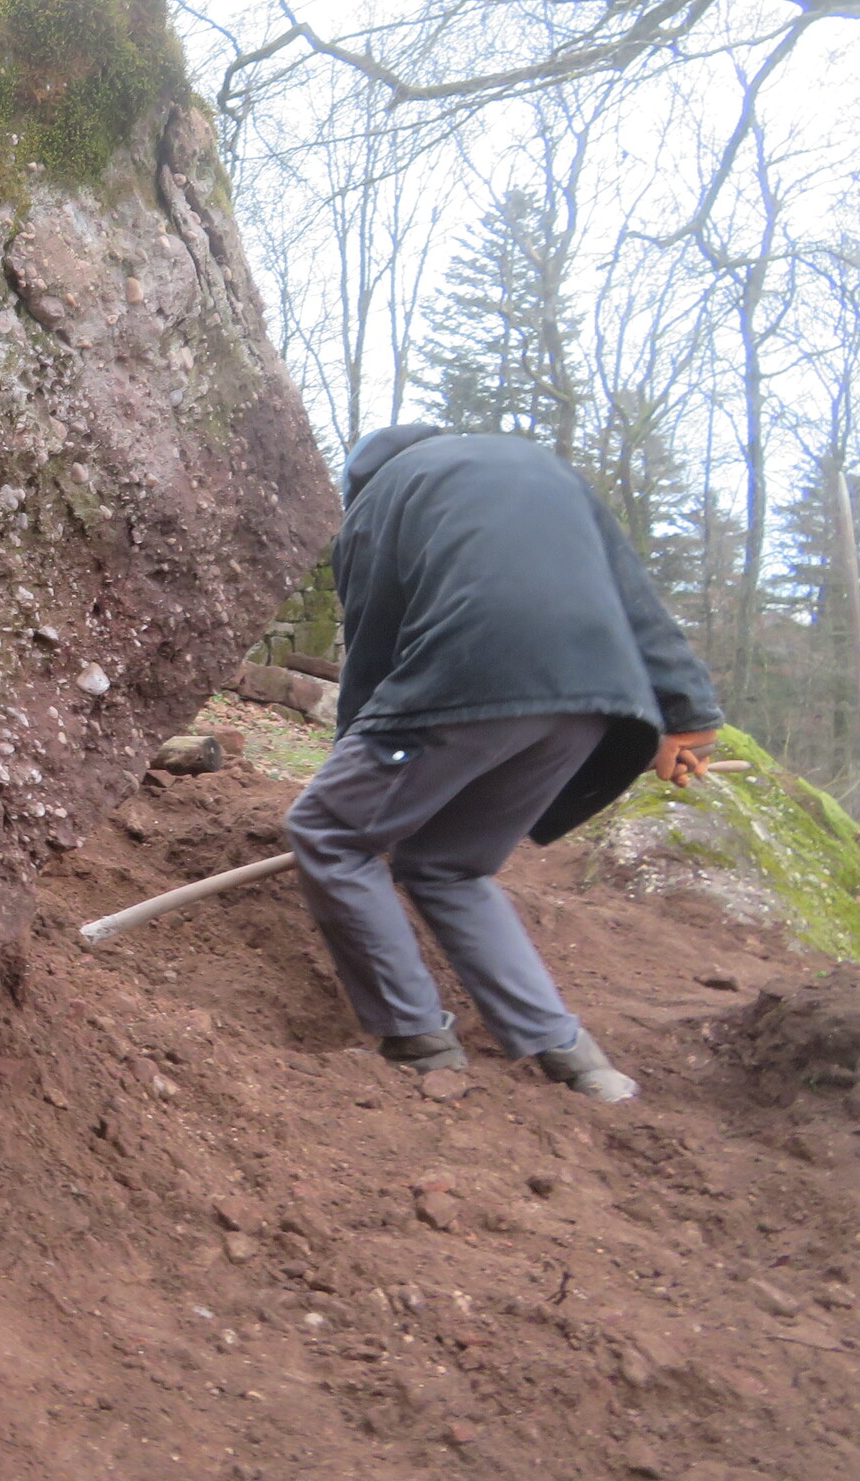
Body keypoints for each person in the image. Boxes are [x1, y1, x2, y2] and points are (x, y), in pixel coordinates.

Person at [286, 425, 725, 1104]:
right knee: (449, 867)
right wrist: (689, 714)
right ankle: (575, 1059)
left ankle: (417, 1042)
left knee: (329, 833)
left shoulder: (377, 502)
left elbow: (373, 644)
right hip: (599, 699)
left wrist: (364, 771)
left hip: (468, 673)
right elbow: (637, 601)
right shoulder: (546, 473)